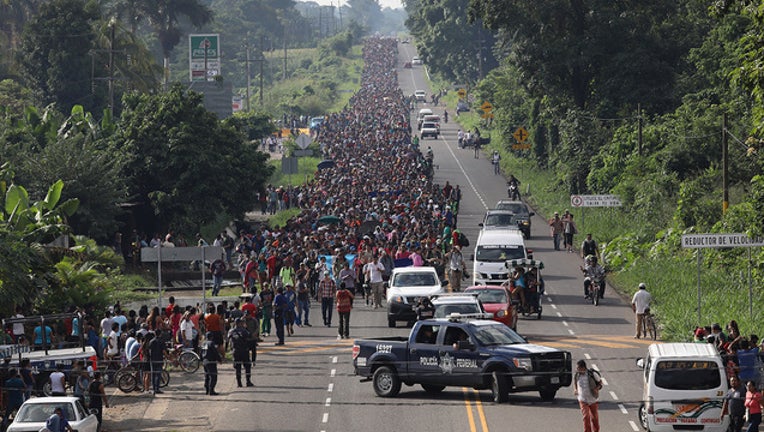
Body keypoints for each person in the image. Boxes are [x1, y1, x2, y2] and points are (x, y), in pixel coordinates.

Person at [573, 359, 601, 432]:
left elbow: (600, 383)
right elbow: (575, 382)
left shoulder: (592, 374)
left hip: (593, 399)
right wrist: (576, 389)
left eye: (578, 368)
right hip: (582, 399)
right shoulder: (577, 375)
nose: (577, 369)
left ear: (583, 367)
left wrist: (596, 389)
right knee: (586, 417)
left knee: (594, 418)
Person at [228, 318, 254, 387]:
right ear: (240, 323)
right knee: (247, 366)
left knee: (237, 367)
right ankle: (248, 381)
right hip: (244, 351)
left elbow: (228, 339)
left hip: (235, 351)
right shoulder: (244, 331)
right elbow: (250, 336)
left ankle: (239, 383)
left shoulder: (231, 331)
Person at [202, 331, 222, 395]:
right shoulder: (211, 343)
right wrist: (219, 359)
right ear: (211, 337)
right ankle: (211, 390)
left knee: (207, 376)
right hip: (211, 362)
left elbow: (200, 353)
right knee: (213, 376)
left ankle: (207, 390)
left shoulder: (203, 343)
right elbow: (215, 352)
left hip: (205, 361)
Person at [148, 328, 165, 394]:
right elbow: (163, 351)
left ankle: (154, 388)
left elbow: (149, 350)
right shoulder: (161, 341)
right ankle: (157, 388)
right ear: (160, 334)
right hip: (159, 359)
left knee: (153, 374)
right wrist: (168, 357)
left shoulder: (151, 341)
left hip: (152, 359)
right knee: (158, 374)